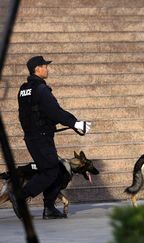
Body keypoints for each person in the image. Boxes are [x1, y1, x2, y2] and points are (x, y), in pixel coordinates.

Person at [11, 56, 91, 219]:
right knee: (52, 171)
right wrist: (75, 123)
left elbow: (36, 113)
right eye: (44, 66)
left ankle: (49, 208)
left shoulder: (23, 89)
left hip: (33, 137)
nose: (47, 69)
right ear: (37, 69)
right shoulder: (41, 89)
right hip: (41, 137)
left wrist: (73, 123)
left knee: (52, 170)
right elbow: (54, 111)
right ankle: (21, 196)